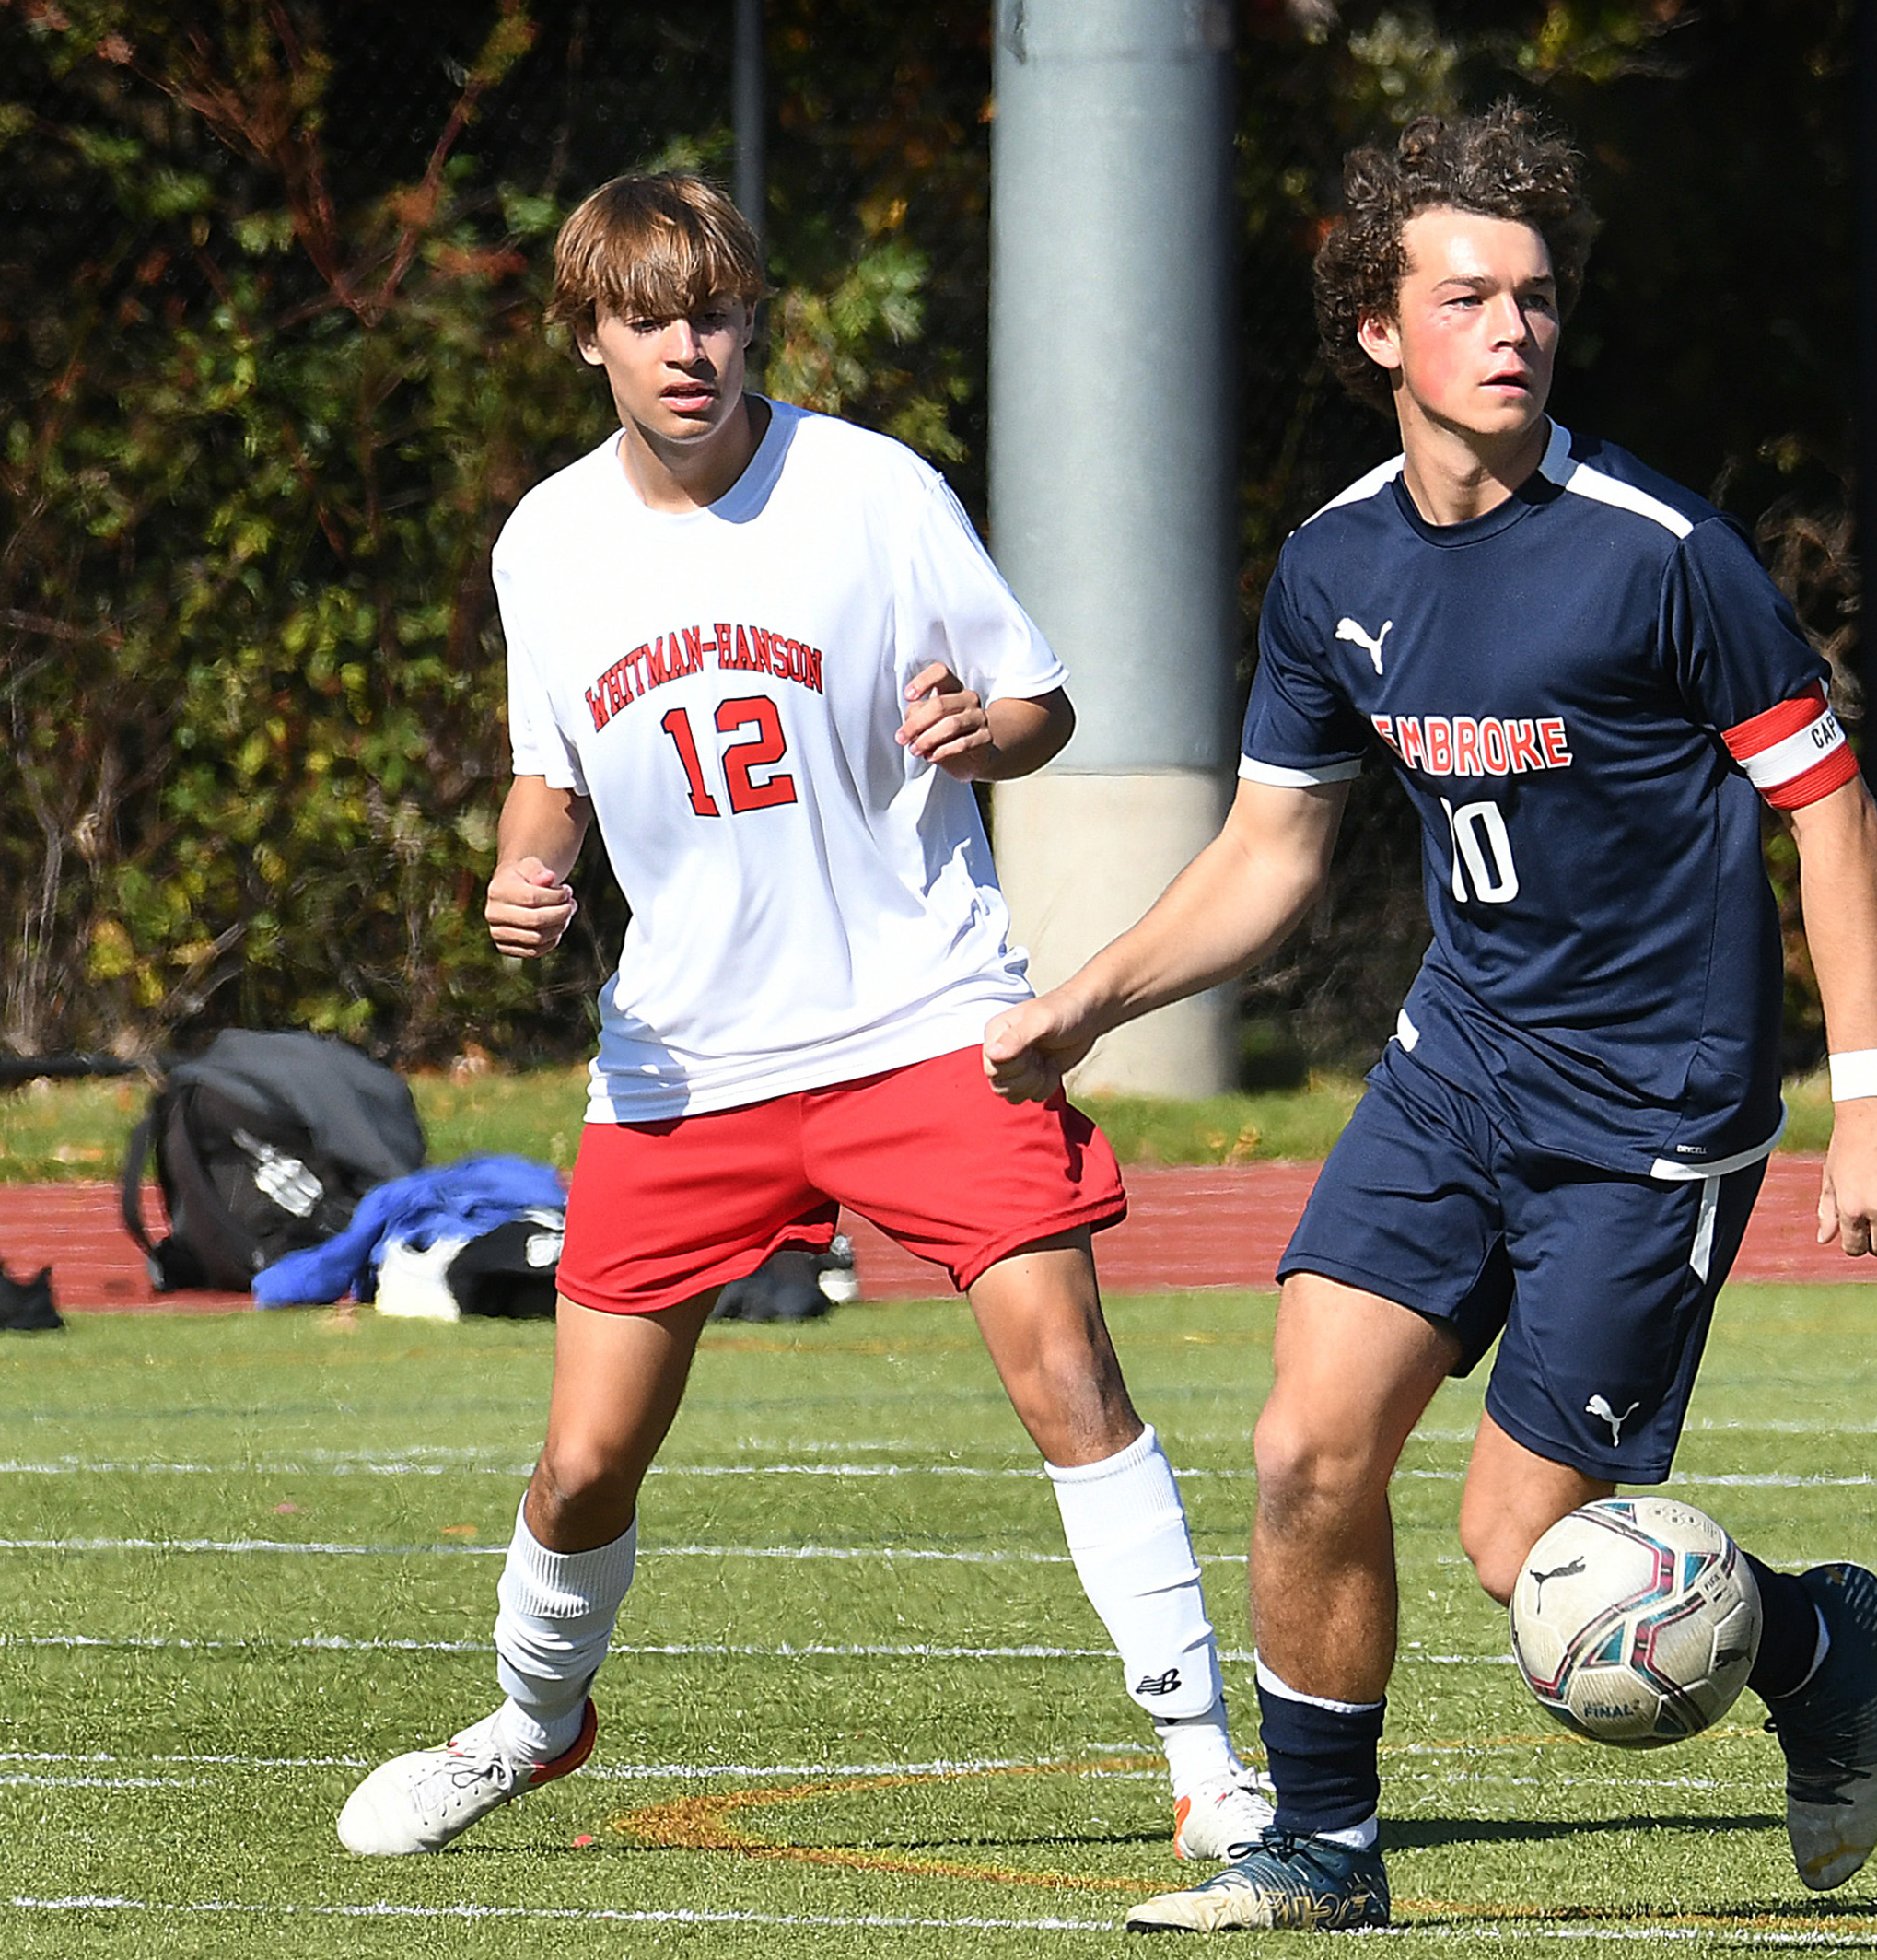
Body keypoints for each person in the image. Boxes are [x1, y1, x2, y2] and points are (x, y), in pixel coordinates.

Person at [984, 106, 1877, 1931]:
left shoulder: (1663, 549)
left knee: (1529, 1558)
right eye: (1470, 294)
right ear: (1375, 328)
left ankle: (1815, 1637)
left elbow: (1830, 805)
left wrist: (1869, 1097)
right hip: (1455, 1077)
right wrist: (1089, 998)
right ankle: (1326, 1849)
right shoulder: (1336, 569)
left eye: (1542, 298)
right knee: (1300, 1443)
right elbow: (1273, 852)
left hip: (1650, 1117)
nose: (1515, 328)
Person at [334, 171, 1270, 1865]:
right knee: (582, 1466)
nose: (685, 346)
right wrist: (523, 877)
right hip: (687, 1061)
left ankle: (1210, 1765)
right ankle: (533, 1725)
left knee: (1069, 1373)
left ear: (753, 316)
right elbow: (549, 780)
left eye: (712, 310)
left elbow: (1041, 703)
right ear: (589, 341)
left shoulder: (872, 487)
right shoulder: (543, 540)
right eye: (645, 319)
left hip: (922, 1018)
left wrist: (990, 734)